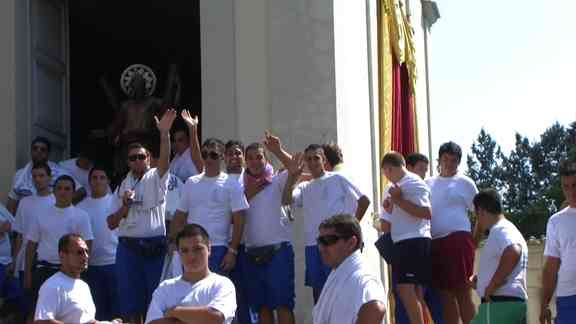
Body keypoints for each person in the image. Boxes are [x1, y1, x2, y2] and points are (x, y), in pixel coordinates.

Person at [107, 109, 177, 324]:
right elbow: (111, 223)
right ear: (128, 161)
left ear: (149, 158)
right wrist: (124, 207)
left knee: (155, 302)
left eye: (142, 156)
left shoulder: (157, 177)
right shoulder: (121, 186)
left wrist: (164, 134)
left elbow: (165, 159)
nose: (138, 160)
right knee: (130, 303)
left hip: (154, 247)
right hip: (128, 248)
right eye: (133, 158)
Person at [282, 144, 370, 303]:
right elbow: (286, 200)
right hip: (313, 246)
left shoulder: (337, 178)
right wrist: (291, 176)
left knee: (340, 291)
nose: (312, 162)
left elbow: (364, 201)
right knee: (320, 295)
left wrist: (352, 230)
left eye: (316, 158)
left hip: (337, 244)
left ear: (323, 160)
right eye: (308, 159)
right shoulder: (304, 187)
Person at [171, 137, 249, 276]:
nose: (208, 159)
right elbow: (179, 217)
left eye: (213, 155)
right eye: (205, 154)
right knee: (191, 293)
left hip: (218, 248)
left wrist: (232, 251)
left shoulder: (232, 183)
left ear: (222, 157)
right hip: (191, 248)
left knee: (215, 295)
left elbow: (239, 219)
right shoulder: (191, 182)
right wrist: (175, 245)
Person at [242, 135, 295, 324]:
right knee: (262, 308)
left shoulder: (277, 180)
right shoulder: (240, 185)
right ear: (245, 161)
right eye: (251, 158)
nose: (255, 162)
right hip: (252, 253)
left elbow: (295, 168)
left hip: (278, 252)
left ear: (266, 160)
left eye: (259, 157)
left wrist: (278, 151)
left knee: (283, 306)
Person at [426, 142, 478, 324]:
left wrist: (475, 240)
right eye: (445, 159)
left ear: (458, 162)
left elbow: (481, 213)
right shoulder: (428, 183)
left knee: (463, 291)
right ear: (439, 159)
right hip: (436, 243)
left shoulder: (466, 183)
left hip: (459, 240)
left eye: (453, 160)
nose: (449, 163)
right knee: (444, 295)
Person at [145, 224, 236, 324]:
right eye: (185, 251)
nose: (191, 256)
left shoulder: (222, 284)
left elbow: (215, 318)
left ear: (209, 249)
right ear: (179, 253)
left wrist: (174, 311)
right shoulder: (165, 288)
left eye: (197, 249)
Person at [380, 152, 432, 324]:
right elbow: (388, 218)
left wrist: (398, 200)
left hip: (414, 241)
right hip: (400, 242)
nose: (386, 176)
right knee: (414, 293)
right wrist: (390, 207)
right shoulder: (391, 187)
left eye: (386, 172)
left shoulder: (414, 182)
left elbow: (426, 213)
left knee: (406, 290)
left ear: (389, 169)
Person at [24, 175, 94, 302]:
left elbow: (87, 244)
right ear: (54, 191)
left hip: (70, 271)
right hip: (43, 271)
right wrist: (28, 273)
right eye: (59, 188)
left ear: (73, 192)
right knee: (36, 313)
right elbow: (31, 246)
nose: (63, 192)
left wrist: (82, 271)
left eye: (67, 189)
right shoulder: (41, 214)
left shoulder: (82, 216)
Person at [313, 214, 386, 324]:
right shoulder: (339, 270)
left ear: (351, 242)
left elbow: (376, 308)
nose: (322, 247)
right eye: (320, 241)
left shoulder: (362, 275)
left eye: (328, 240)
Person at [34, 234, 121, 324]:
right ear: (62, 256)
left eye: (86, 251)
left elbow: (88, 321)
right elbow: (41, 322)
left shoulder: (84, 286)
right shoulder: (52, 286)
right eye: (79, 252)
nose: (86, 256)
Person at [469, 189, 527, 323]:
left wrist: (492, 286)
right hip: (510, 303)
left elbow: (513, 251)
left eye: (476, 216)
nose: (478, 222)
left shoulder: (500, 229)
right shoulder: (509, 230)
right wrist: (481, 281)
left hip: (498, 304)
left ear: (481, 211)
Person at [77, 166, 121, 321]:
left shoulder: (116, 203)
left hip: (114, 263)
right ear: (89, 182)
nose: (98, 181)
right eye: (94, 178)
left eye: (102, 177)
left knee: (118, 309)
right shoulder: (80, 207)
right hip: (91, 265)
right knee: (97, 310)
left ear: (108, 181)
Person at [6, 137, 82, 215]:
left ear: (48, 153)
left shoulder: (59, 172)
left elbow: (81, 191)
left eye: (42, 149)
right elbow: (12, 202)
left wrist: (61, 206)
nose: (38, 152)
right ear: (31, 151)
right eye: (35, 148)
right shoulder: (20, 175)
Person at [540, 159, 576, 324]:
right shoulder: (556, 221)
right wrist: (544, 304)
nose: (571, 192)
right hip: (567, 298)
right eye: (566, 187)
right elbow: (551, 267)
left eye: (575, 185)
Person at [13, 163, 55, 280]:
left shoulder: (57, 202)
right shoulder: (24, 202)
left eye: (41, 176)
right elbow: (19, 236)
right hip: (24, 264)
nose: (37, 179)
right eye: (34, 176)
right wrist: (15, 261)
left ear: (49, 177)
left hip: (48, 263)